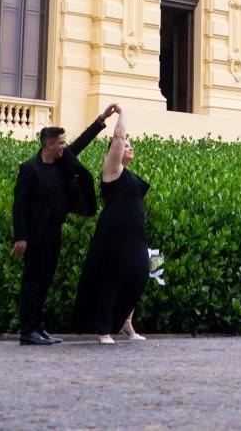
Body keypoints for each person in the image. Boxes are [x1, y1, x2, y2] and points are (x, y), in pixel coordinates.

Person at [12, 103, 119, 346]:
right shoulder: (29, 169)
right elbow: (19, 206)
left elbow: (82, 142)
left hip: (53, 232)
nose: (64, 146)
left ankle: (39, 328)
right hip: (35, 235)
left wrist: (102, 119)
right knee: (32, 283)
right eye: (60, 143)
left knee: (46, 281)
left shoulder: (61, 163)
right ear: (48, 144)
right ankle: (27, 331)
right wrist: (21, 237)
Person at [72, 103, 153, 343]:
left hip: (134, 235)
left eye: (130, 146)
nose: (128, 146)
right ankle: (104, 330)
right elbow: (118, 136)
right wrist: (122, 114)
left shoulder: (129, 174)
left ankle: (127, 323)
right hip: (114, 234)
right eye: (125, 146)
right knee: (113, 278)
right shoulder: (112, 169)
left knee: (139, 273)